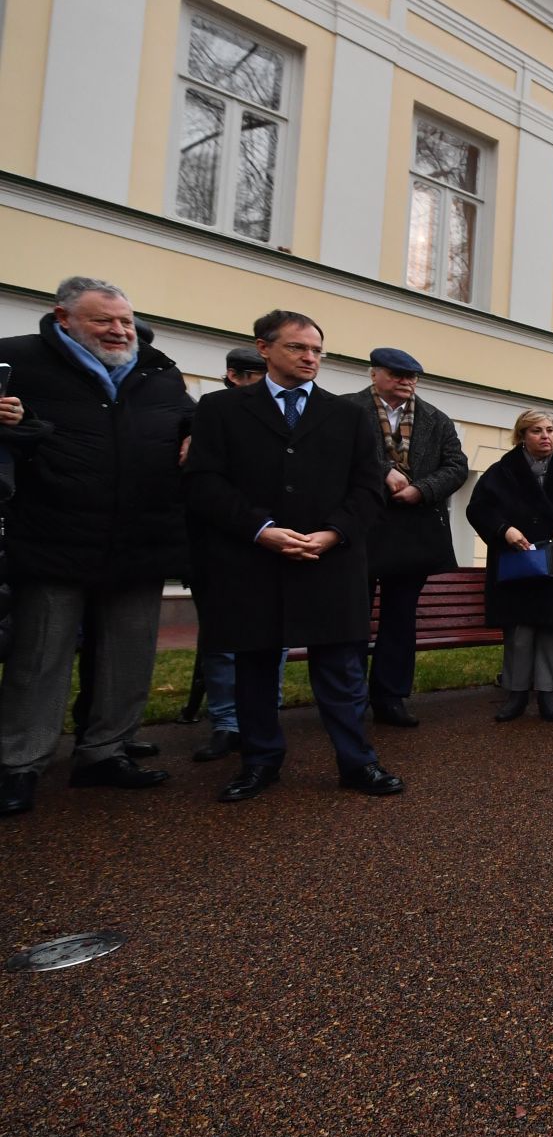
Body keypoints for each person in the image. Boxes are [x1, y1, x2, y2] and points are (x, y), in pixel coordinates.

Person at [185, 310, 403, 803]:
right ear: (264, 348)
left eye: (317, 351)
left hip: (330, 561)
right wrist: (261, 530)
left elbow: (369, 488)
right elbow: (203, 483)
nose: (310, 358)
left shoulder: (349, 415)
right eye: (298, 348)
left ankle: (357, 762)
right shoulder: (221, 409)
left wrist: (333, 534)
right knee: (255, 667)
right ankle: (259, 762)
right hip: (252, 561)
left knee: (341, 673)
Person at [0, 277, 194, 815]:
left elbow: (186, 414)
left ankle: (104, 753)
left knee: (129, 656)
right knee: (40, 657)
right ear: (63, 318)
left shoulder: (156, 368)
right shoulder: (17, 359)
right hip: (52, 534)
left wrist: (195, 430)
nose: (118, 331)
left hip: (142, 535)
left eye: (125, 321)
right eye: (103, 320)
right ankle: (19, 763)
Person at [349, 346, 470, 727]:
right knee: (352, 617)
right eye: (397, 375)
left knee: (400, 620)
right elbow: (333, 456)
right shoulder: (346, 410)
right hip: (359, 528)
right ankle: (348, 698)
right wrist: (383, 469)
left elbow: (457, 467)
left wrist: (422, 489)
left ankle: (391, 697)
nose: (406, 382)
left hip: (412, 530)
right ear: (374, 374)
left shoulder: (436, 419)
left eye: (411, 377)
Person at [466, 410, 553, 722]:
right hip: (515, 562)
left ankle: (548, 694)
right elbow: (478, 509)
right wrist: (504, 529)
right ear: (522, 436)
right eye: (537, 430)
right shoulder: (501, 471)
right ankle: (517, 693)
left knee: (551, 630)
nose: (546, 436)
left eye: (550, 430)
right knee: (518, 632)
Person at [189, 346, 278, 763]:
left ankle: (264, 717)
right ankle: (226, 723)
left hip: (276, 543)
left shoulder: (289, 416)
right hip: (224, 542)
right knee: (223, 640)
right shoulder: (209, 412)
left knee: (272, 639)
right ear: (234, 376)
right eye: (255, 376)